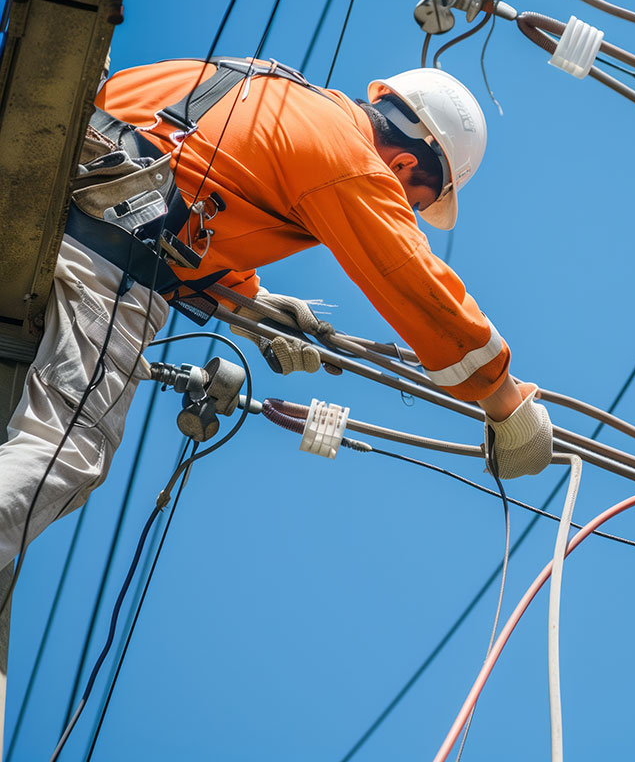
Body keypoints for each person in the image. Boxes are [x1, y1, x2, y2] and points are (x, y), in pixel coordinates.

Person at [0, 56, 554, 566]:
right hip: (109, 259)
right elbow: (415, 285)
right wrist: (504, 401)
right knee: (69, 451)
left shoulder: (258, 81)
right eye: (412, 202)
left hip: (36, 181)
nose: (402, 208)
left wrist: (253, 302)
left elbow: (183, 172)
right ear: (405, 163)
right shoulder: (354, 160)